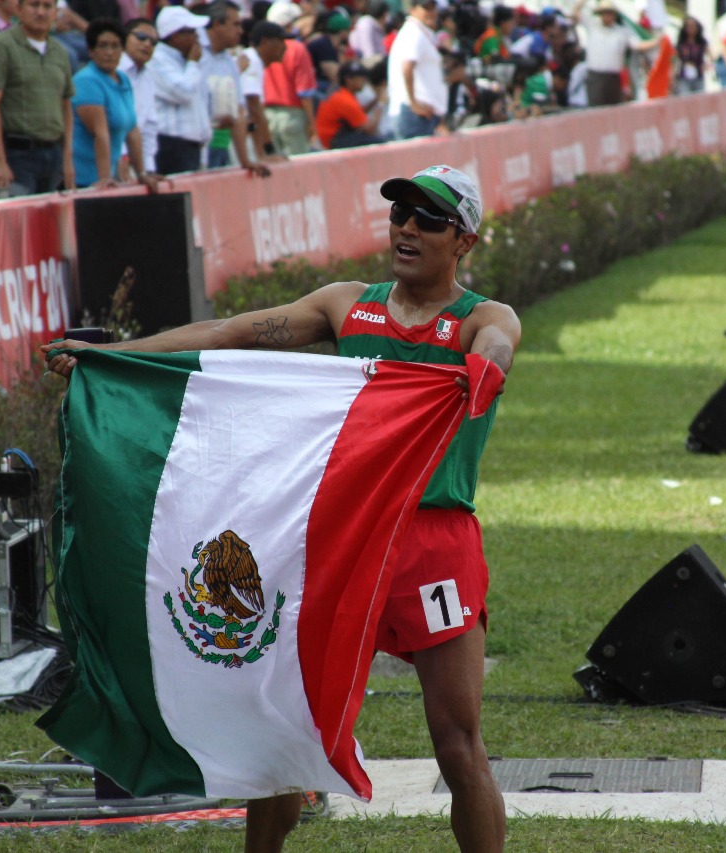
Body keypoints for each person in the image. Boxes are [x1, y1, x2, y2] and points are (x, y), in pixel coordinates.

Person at [42, 163, 519, 853]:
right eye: (400, 214)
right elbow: (231, 334)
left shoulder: (482, 319)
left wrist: (486, 369)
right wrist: (116, 355)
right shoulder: (346, 304)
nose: (408, 227)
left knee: (457, 740)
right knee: (280, 731)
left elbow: (499, 344)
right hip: (338, 536)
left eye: (429, 219)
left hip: (431, 542)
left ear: (464, 240)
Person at [0, 0, 76, 195]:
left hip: (53, 154)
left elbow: (65, 105)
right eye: (34, 5)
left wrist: (67, 157)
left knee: (48, 223)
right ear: (19, 9)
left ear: (56, 12)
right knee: (19, 222)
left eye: (47, 7)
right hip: (17, 154)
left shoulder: (59, 51)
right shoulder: (0, 45)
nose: (41, 12)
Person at [71, 18, 158, 190]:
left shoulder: (123, 79)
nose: (109, 52)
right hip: (84, 178)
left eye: (115, 46)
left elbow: (132, 131)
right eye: (103, 46)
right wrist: (104, 178)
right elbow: (99, 133)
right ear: (91, 51)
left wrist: (142, 173)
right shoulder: (87, 80)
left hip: (109, 174)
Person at [199, 0, 270, 173]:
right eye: (235, 24)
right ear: (217, 25)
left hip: (221, 144)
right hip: (196, 147)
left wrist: (245, 160)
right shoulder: (196, 53)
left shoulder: (229, 62)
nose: (241, 31)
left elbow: (238, 111)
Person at [148, 5, 209, 174]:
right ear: (176, 36)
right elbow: (183, 92)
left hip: (189, 147)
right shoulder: (157, 59)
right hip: (171, 146)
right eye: (191, 31)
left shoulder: (184, 61)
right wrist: (193, 63)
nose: (197, 37)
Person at [570, 0, 657, 107]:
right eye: (605, 13)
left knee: (612, 109)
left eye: (610, 13)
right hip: (595, 76)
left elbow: (638, 45)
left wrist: (657, 42)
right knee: (595, 109)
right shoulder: (593, 25)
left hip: (613, 78)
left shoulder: (622, 32)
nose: (608, 16)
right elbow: (574, 15)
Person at [263, 1, 319, 155]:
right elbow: (305, 93)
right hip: (292, 116)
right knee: (300, 171)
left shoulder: (264, 47)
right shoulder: (296, 48)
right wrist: (312, 125)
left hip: (268, 117)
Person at [387, 0, 449, 138]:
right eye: (426, 7)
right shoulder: (413, 33)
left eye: (434, 8)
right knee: (420, 160)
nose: (432, 12)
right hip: (411, 115)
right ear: (413, 9)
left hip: (421, 116)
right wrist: (414, 104)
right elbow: (407, 67)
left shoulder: (420, 32)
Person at [240, 21, 289, 163]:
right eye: (280, 41)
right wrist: (266, 151)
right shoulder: (251, 61)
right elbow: (253, 107)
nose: (285, 46)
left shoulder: (253, 59)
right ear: (265, 42)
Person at [118, 17, 159, 177]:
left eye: (153, 42)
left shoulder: (148, 76)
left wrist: (149, 168)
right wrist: (122, 157)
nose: (147, 44)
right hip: (112, 158)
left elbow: (149, 125)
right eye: (141, 37)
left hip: (136, 162)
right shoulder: (115, 70)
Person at [316, 60, 385, 147]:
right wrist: (381, 104)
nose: (364, 80)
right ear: (348, 80)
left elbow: (357, 114)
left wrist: (376, 100)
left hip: (335, 136)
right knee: (380, 142)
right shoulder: (345, 100)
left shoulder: (342, 94)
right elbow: (369, 129)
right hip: (335, 139)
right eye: (360, 77)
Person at [672, 15, 706, 96]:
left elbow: (710, 55)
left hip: (698, 76)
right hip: (684, 76)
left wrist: (706, 65)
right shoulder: (681, 44)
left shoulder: (701, 43)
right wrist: (673, 76)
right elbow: (674, 59)